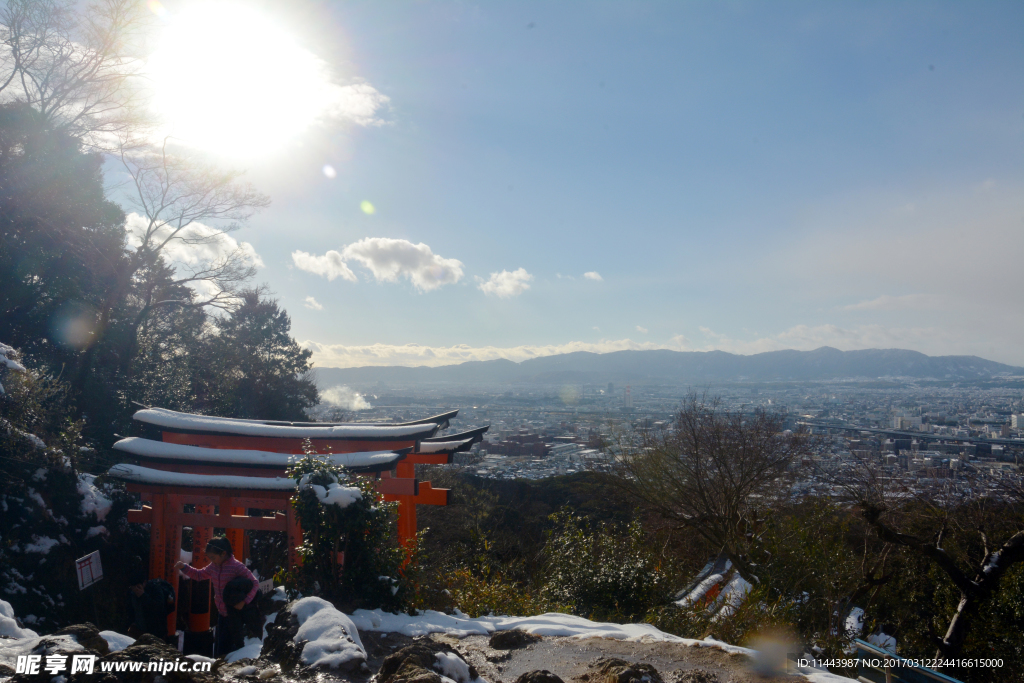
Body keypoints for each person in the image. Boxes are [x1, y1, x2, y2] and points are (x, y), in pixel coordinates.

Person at [173, 536, 258, 657]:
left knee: (234, 647)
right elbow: (199, 575)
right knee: (221, 648)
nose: (212, 560)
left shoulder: (236, 567)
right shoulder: (214, 566)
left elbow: (255, 583)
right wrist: (184, 568)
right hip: (221, 613)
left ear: (223, 553)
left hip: (234, 613)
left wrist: (245, 601)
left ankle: (238, 670)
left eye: (213, 557)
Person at [126, 568, 176, 641]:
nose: (135, 590)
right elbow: (131, 610)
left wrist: (143, 595)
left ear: (144, 583)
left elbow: (158, 609)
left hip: (155, 633)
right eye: (133, 587)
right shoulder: (132, 593)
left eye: (138, 586)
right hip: (138, 630)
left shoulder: (155, 589)